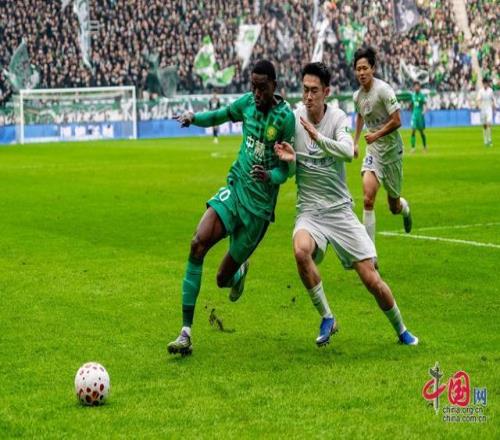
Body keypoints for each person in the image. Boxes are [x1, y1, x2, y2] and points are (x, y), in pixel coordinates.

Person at [275, 62, 418, 347]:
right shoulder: (294, 118)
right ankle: (327, 317)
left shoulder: (337, 117)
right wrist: (290, 161)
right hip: (310, 211)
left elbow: (347, 152)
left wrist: (317, 137)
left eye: (314, 90)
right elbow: (291, 171)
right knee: (300, 251)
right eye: (305, 90)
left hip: (339, 210)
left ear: (326, 92)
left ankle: (402, 331)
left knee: (371, 278)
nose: (308, 96)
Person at [167, 60, 296, 356]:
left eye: (261, 88)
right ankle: (186, 333)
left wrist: (270, 176)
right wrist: (194, 118)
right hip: (236, 190)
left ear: (274, 86)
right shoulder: (247, 103)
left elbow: (288, 169)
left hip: (258, 211)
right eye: (253, 87)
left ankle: (238, 273)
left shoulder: (285, 119)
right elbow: (222, 114)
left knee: (222, 279)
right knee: (197, 244)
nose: (256, 93)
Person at [352, 47, 412, 255]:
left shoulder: (384, 90)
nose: (361, 73)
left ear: (373, 68)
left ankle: (405, 209)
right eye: (358, 69)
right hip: (374, 152)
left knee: (393, 206)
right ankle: (370, 254)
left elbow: (397, 120)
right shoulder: (357, 96)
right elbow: (360, 115)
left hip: (392, 152)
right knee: (368, 199)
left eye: (365, 68)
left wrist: (376, 134)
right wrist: (355, 142)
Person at [477, 78, 495, 147]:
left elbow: (492, 99)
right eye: (484, 83)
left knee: (489, 123)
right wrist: (479, 105)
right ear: (483, 83)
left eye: (486, 83)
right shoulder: (480, 91)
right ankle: (485, 140)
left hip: (489, 108)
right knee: (484, 125)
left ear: (487, 83)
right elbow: (478, 99)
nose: (485, 84)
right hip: (483, 108)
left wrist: (494, 107)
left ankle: (490, 140)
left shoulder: (490, 90)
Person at [410, 81, 427, 152]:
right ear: (414, 87)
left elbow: (425, 104)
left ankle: (425, 147)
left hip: (420, 115)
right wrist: (412, 111)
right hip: (414, 115)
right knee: (413, 130)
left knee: (421, 132)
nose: (416, 87)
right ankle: (413, 148)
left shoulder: (422, 96)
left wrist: (424, 111)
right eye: (415, 86)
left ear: (419, 87)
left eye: (417, 86)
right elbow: (411, 105)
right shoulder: (413, 95)